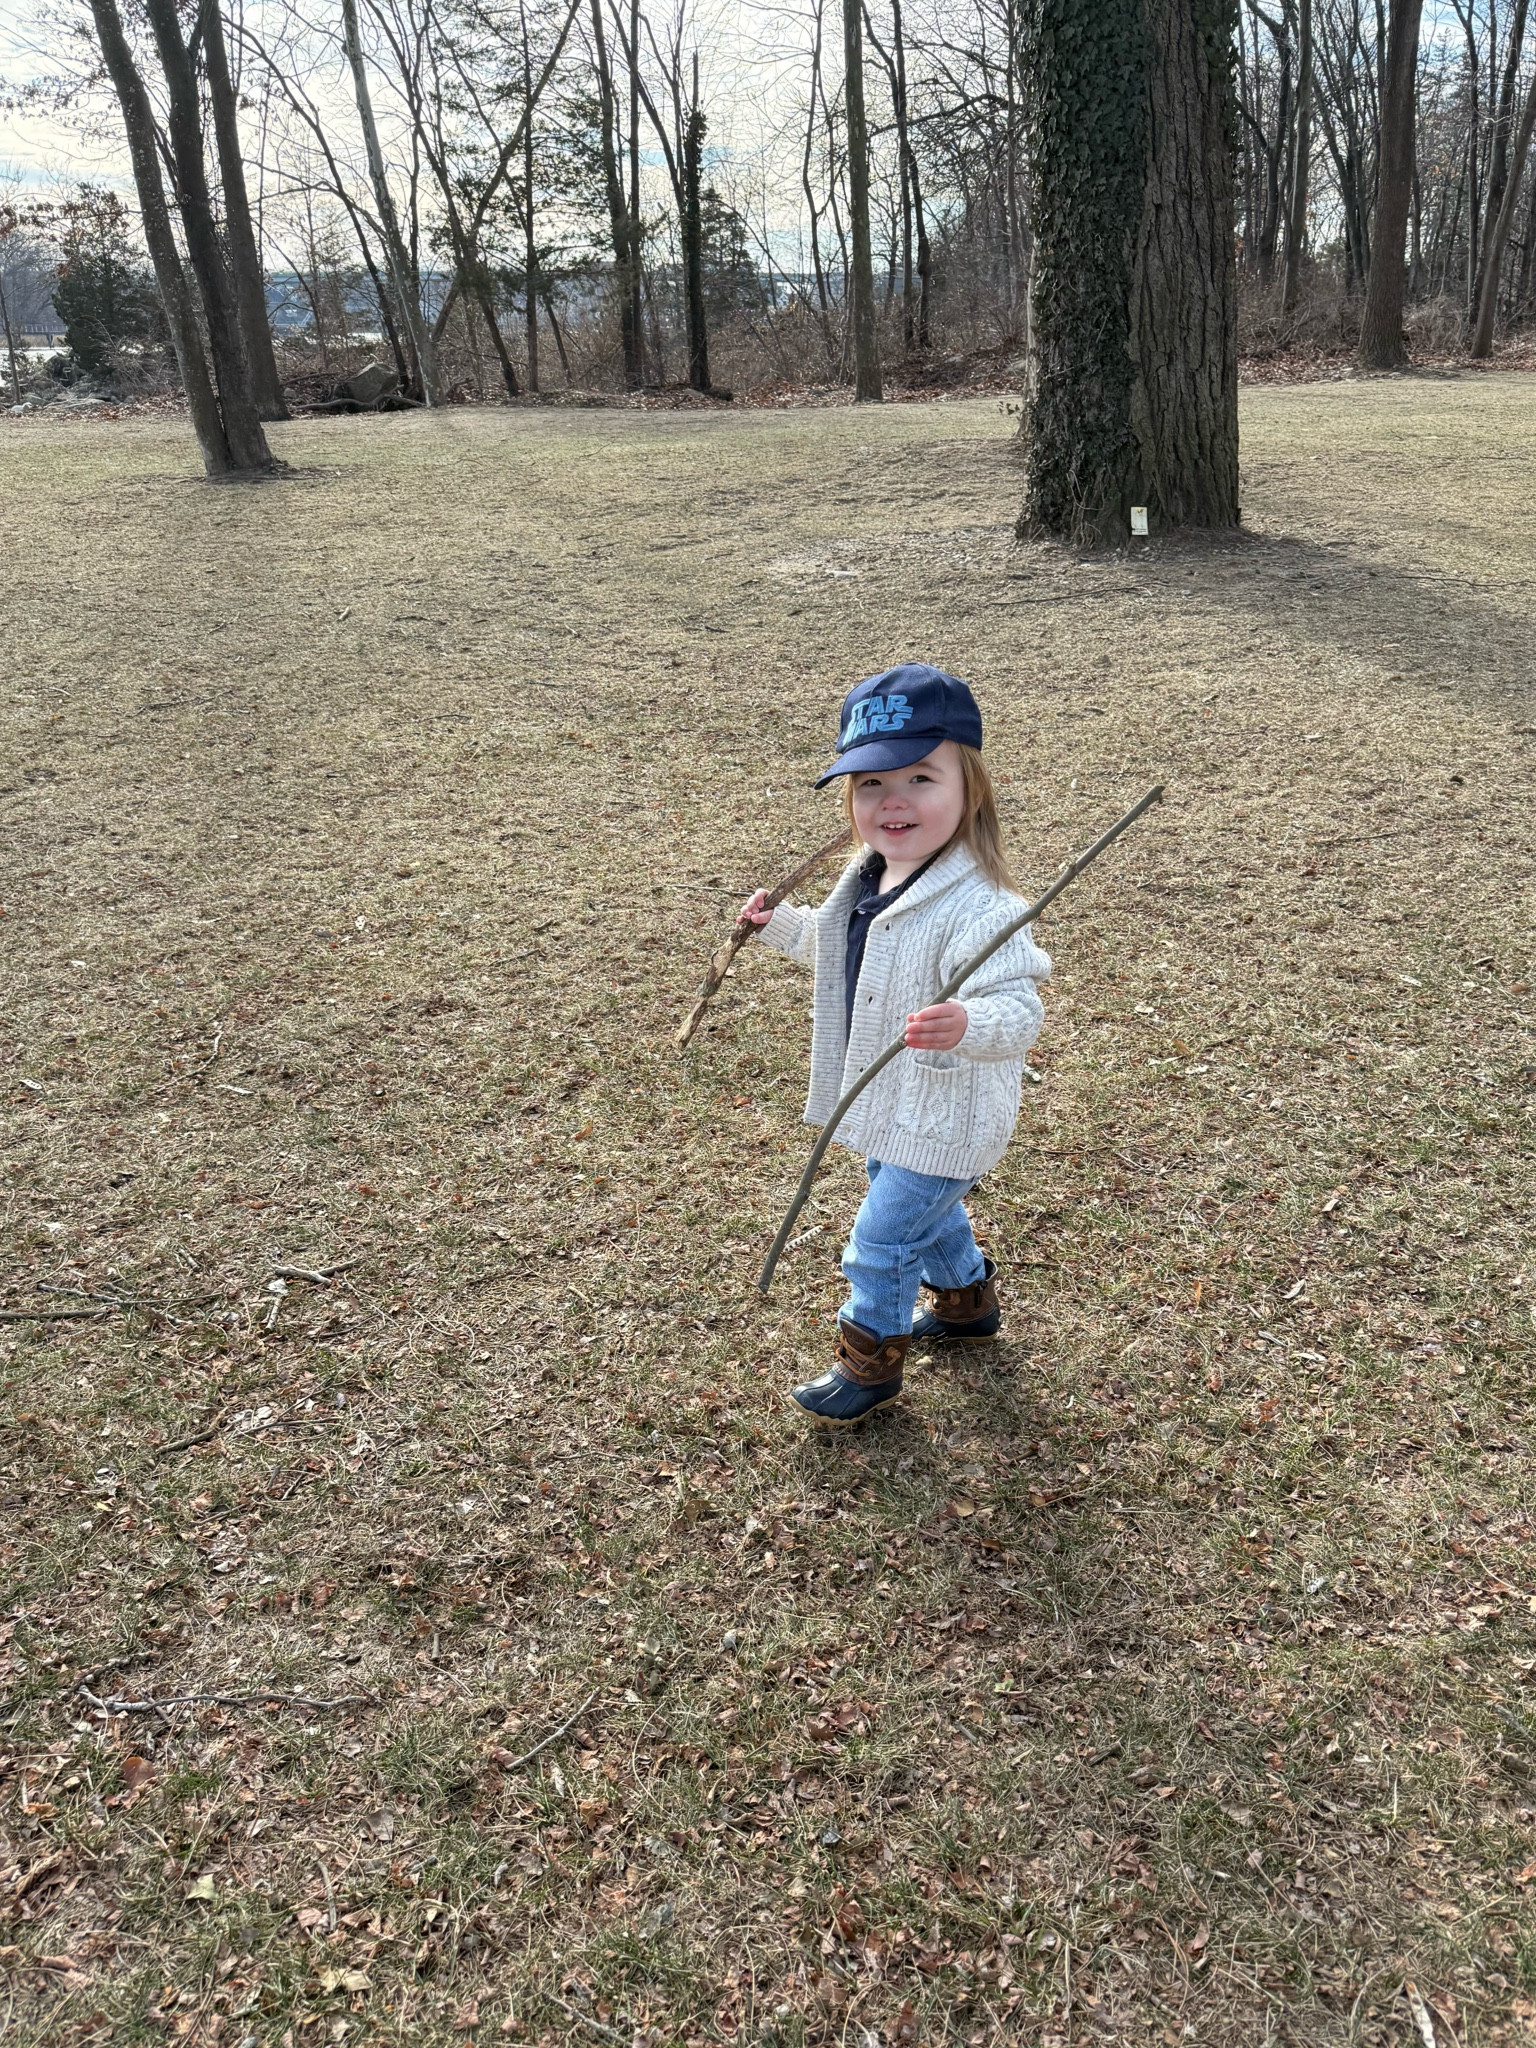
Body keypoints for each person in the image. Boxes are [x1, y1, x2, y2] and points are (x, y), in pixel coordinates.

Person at [740, 663, 1051, 1427]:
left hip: (946, 1115)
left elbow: (1019, 1008)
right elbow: (843, 956)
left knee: (881, 1238)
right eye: (871, 784)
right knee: (925, 1216)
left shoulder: (983, 906)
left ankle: (870, 1361)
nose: (894, 800)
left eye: (920, 776)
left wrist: (969, 1026)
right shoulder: (867, 878)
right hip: (887, 1103)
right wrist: (777, 927)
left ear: (969, 789)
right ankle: (967, 1305)